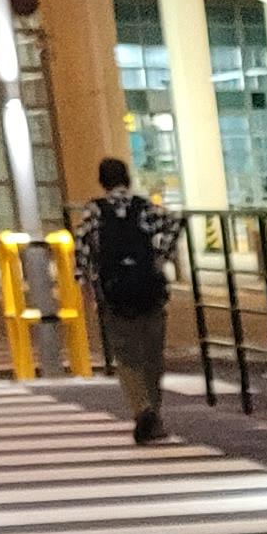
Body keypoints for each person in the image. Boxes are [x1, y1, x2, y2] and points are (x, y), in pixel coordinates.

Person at [75, 155, 183, 443]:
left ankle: (142, 408)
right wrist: (161, 257)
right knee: (152, 356)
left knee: (126, 356)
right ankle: (154, 415)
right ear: (128, 179)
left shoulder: (94, 211)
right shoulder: (144, 207)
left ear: (102, 182)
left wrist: (87, 285)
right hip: (149, 290)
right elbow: (175, 222)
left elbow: (82, 247)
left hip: (115, 293)